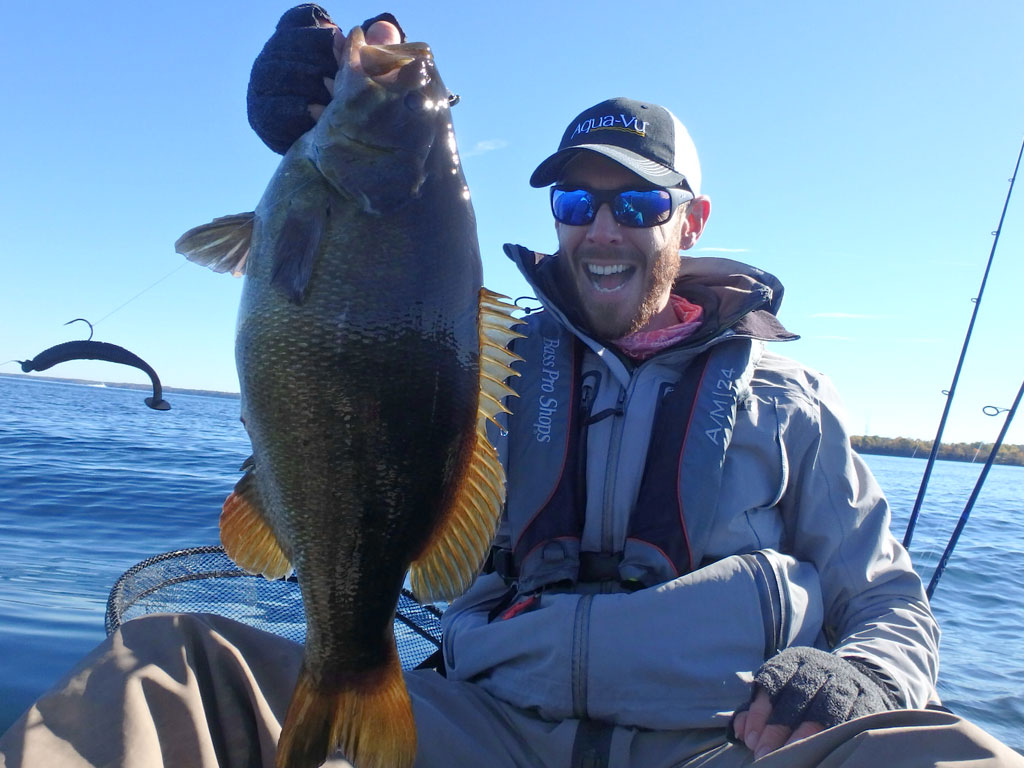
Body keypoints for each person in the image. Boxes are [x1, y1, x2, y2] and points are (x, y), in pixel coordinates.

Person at [1, 6, 1022, 768]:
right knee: (161, 677)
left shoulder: (790, 398)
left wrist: (860, 677)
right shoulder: (489, 359)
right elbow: (353, 373)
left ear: (692, 220)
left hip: (725, 740)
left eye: (639, 201)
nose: (604, 227)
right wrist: (309, 152)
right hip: (481, 730)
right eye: (577, 200)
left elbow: (888, 599)